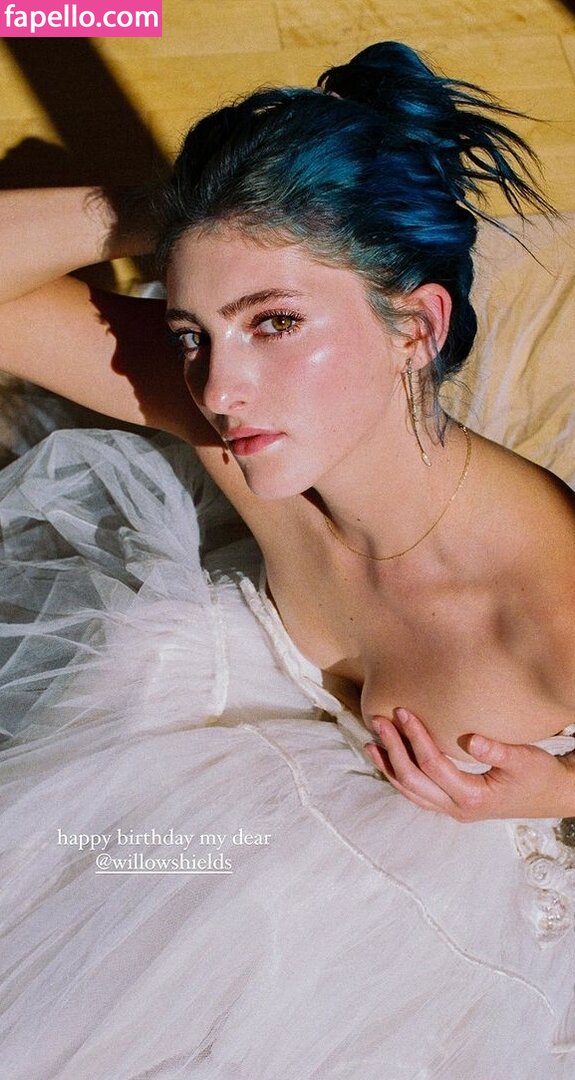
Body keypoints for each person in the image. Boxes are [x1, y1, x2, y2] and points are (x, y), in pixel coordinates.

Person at [0, 40, 573, 1079]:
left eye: (274, 322)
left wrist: (560, 791)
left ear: (415, 325)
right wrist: (174, 211)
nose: (219, 389)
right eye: (191, 332)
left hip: (430, 967)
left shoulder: (548, 602)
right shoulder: (237, 421)